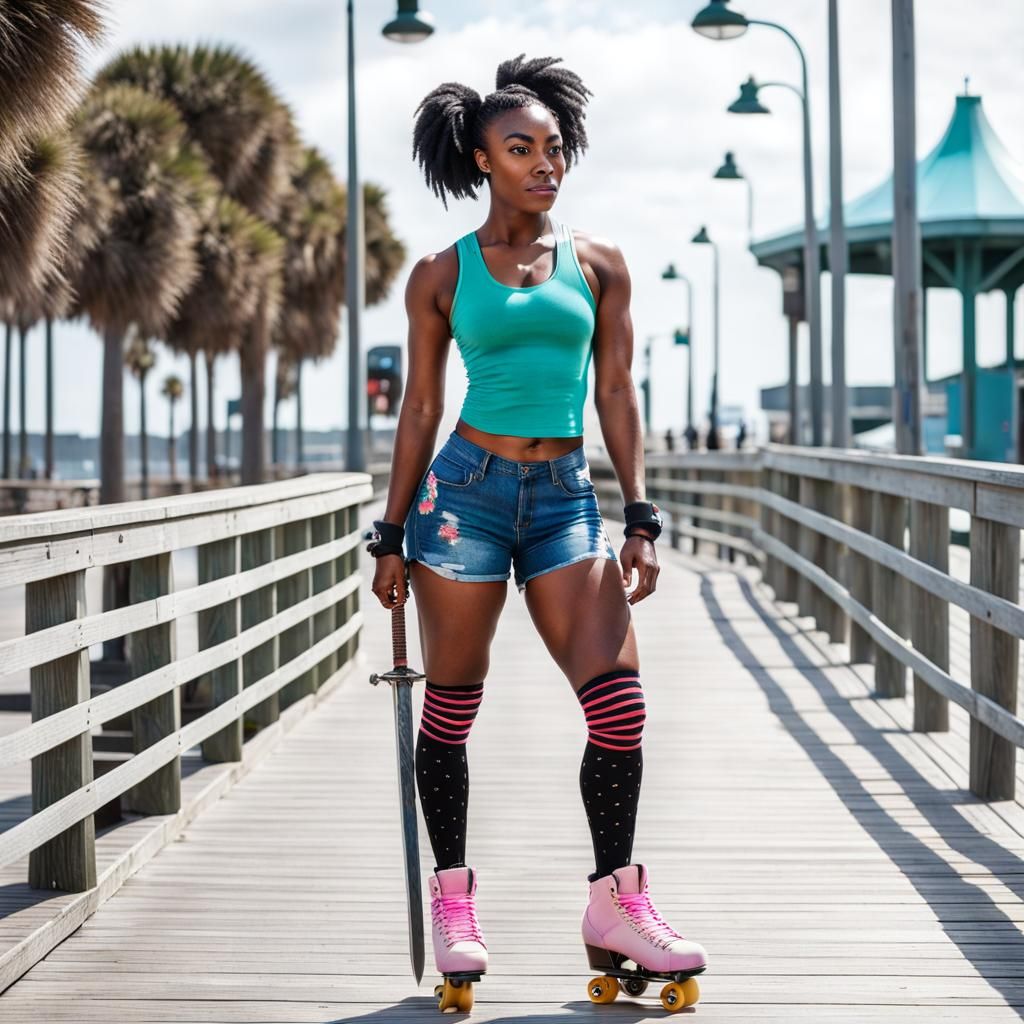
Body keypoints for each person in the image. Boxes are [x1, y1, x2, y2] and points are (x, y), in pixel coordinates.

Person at [366, 54, 707, 1005]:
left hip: (565, 499)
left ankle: (615, 901)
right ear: (481, 159)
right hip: (462, 498)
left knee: (620, 705)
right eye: (520, 149)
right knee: (452, 708)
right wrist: (391, 533)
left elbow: (615, 391)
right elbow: (422, 405)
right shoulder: (442, 273)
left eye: (554, 148)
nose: (544, 164)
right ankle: (455, 904)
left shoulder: (601, 266)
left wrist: (639, 512)